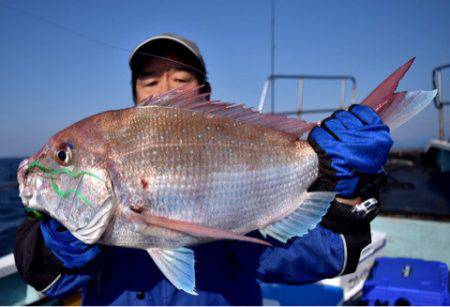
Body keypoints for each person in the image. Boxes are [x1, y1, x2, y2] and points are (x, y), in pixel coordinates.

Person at [14, 33, 392, 305]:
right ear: (134, 94)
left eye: (180, 80)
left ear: (204, 95)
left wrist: (343, 191)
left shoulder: (238, 139)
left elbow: (318, 256)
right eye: (149, 80)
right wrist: (59, 241)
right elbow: (46, 278)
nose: (163, 89)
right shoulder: (101, 150)